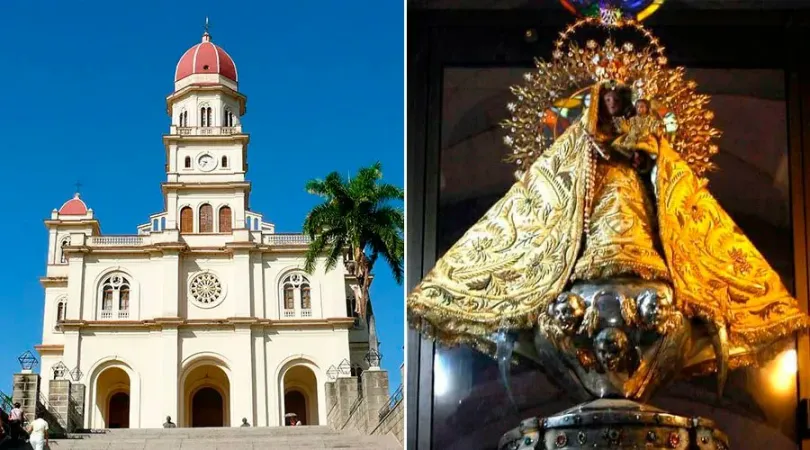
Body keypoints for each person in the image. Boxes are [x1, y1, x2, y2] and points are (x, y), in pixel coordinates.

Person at [407, 78, 809, 376]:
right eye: (610, 98)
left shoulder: (644, 135)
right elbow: (561, 178)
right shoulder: (581, 143)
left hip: (635, 210)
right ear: (600, 101)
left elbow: (659, 169)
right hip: (595, 217)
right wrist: (599, 152)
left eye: (621, 98)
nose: (615, 104)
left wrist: (642, 156)